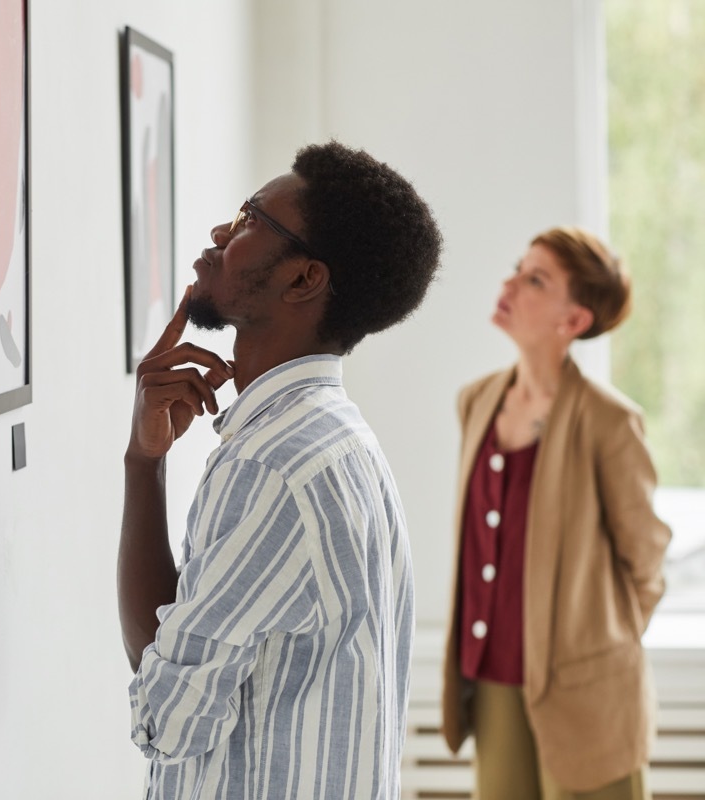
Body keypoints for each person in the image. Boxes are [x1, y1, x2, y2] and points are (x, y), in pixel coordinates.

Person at [119, 141, 443, 799]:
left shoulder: (272, 465)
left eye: (249, 221)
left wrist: (139, 465)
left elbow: (167, 718)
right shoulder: (338, 437)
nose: (220, 232)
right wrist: (145, 462)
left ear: (303, 279)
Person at [440, 227, 672, 800]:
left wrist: (594, 649)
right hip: (493, 679)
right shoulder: (477, 401)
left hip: (586, 692)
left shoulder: (610, 421)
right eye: (518, 268)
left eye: (535, 279)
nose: (510, 283)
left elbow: (645, 562)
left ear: (573, 320)